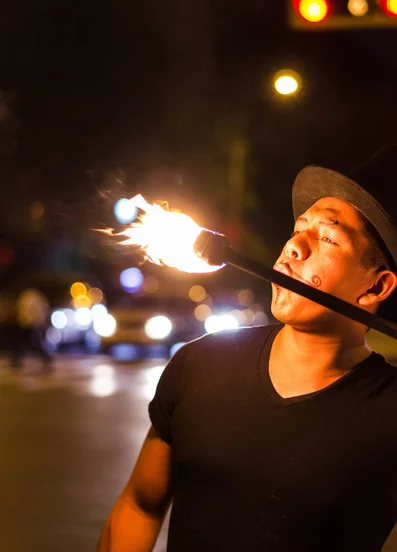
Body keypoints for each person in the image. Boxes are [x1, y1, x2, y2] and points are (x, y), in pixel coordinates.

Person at [97, 145, 397, 552]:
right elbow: (140, 505)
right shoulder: (200, 364)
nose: (295, 247)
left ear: (376, 287)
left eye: (327, 237)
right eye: (298, 229)